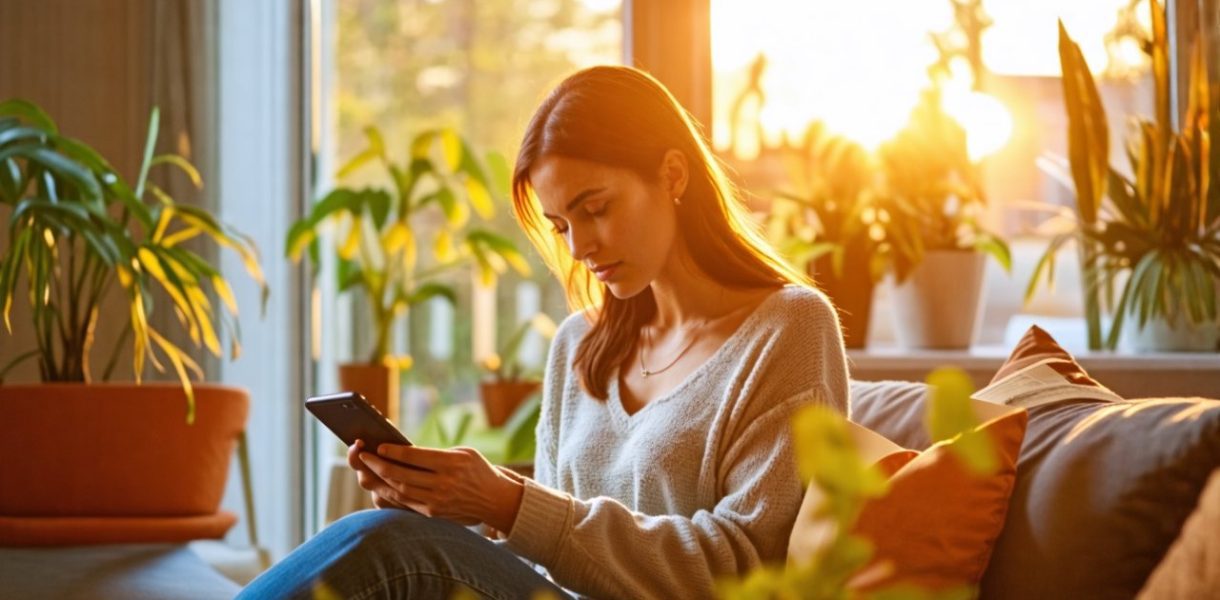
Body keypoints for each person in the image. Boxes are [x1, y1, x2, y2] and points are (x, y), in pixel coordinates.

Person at [239, 65, 848, 600]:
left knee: (391, 546)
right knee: (394, 541)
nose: (580, 247)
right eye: (560, 225)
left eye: (596, 208)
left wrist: (507, 502)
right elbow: (543, 560)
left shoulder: (789, 327)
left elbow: (750, 568)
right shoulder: (582, 344)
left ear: (672, 175)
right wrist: (452, 504)